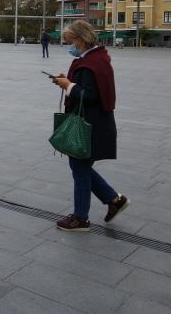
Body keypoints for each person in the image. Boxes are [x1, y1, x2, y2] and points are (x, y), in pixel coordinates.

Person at [51, 20, 129, 232]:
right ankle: (114, 200)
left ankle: (80, 218)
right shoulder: (93, 59)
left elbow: (91, 95)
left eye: (69, 41)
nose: (68, 45)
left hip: (90, 126)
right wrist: (66, 82)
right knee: (80, 166)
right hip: (93, 124)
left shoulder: (93, 63)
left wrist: (69, 86)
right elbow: (87, 87)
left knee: (80, 168)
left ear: (81, 40)